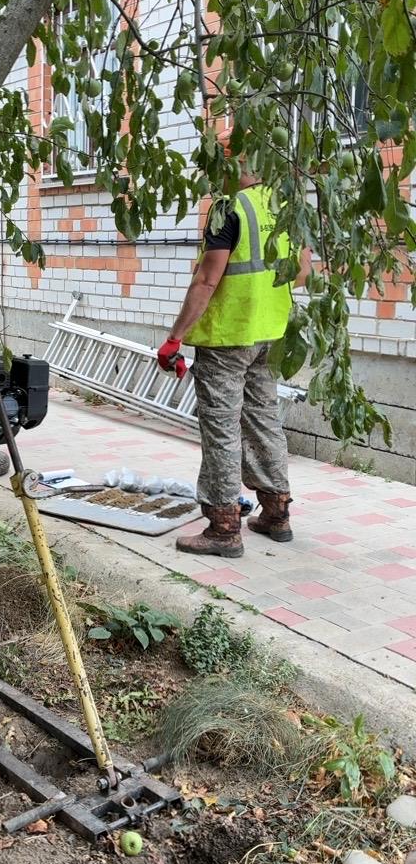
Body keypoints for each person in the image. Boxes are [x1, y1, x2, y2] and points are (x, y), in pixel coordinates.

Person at [157, 132, 312, 559]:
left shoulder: (228, 208)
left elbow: (207, 280)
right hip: (270, 335)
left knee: (222, 430)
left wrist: (175, 338)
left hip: (227, 338)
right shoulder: (285, 204)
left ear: (230, 165)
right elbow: (302, 274)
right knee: (264, 421)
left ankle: (224, 529)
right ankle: (276, 514)